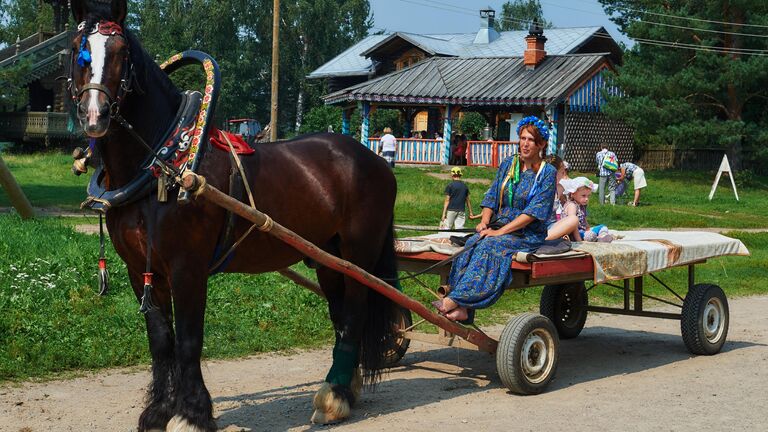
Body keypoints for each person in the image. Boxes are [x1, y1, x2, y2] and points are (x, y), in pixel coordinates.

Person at [432, 116, 556, 322]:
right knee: (473, 242)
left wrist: (499, 232)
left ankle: (454, 301)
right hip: (499, 224)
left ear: (541, 144)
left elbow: (534, 212)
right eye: (522, 138)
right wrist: (484, 221)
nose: (525, 144)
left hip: (526, 232)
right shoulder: (509, 164)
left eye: (531, 140)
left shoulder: (547, 173)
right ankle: (464, 308)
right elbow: (492, 196)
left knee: (490, 245)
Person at [557, 177, 613, 242]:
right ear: (573, 194)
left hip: (582, 231)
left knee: (603, 227)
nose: (586, 199)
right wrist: (579, 240)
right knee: (590, 235)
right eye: (583, 196)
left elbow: (584, 220)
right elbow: (573, 225)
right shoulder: (572, 206)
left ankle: (602, 236)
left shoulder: (581, 205)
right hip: (573, 233)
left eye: (588, 196)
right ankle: (596, 238)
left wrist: (588, 229)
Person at [544, 156, 579, 241]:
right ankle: (544, 239)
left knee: (573, 219)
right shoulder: (539, 187)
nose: (564, 176)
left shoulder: (559, 188)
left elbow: (566, 206)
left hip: (553, 226)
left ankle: (551, 237)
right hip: (538, 227)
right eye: (562, 173)